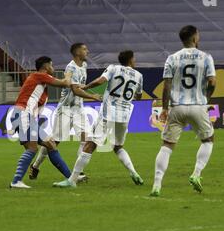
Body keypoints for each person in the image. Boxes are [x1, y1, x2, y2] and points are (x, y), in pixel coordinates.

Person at [53, 50, 144, 188]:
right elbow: (138, 96)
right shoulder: (139, 75)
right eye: (134, 59)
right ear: (131, 60)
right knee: (118, 147)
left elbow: (101, 80)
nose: (135, 60)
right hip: (124, 115)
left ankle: (71, 180)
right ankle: (134, 172)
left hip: (108, 113)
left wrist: (86, 86)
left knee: (90, 144)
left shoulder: (113, 68)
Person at [9, 56, 99, 189]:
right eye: (51, 66)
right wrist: (69, 75)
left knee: (50, 145)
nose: (53, 68)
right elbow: (65, 83)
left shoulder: (40, 82)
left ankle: (71, 179)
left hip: (24, 116)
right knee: (32, 149)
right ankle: (16, 181)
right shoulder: (40, 75)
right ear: (46, 67)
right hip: (23, 115)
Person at [151, 25, 216, 197]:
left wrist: (164, 108)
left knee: (167, 146)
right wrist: (206, 100)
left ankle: (156, 186)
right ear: (195, 38)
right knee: (208, 140)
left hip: (177, 107)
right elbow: (213, 82)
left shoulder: (172, 58)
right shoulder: (206, 57)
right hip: (197, 106)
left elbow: (167, 85)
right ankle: (196, 174)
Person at [29, 43, 92, 182]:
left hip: (78, 108)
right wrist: (93, 96)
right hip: (65, 109)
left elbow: (79, 86)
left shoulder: (85, 66)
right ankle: (35, 166)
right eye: (84, 49)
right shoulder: (70, 67)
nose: (87, 51)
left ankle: (78, 172)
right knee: (53, 142)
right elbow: (73, 88)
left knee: (86, 139)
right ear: (77, 52)